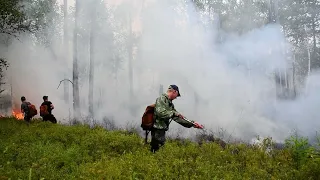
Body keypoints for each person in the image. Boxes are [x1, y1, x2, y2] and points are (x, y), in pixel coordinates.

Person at [150, 85, 203, 153]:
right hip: (157, 129)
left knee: (158, 149)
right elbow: (160, 113)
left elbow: (178, 118)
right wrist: (173, 113)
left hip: (161, 130)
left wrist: (193, 124)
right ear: (174, 92)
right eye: (176, 95)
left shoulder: (170, 104)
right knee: (157, 150)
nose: (176, 98)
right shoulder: (161, 99)